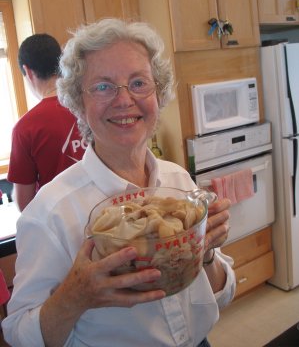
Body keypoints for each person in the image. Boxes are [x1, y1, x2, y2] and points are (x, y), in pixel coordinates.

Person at [2, 19, 235, 347]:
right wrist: (75, 296)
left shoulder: (179, 182)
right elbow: (18, 335)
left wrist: (206, 252)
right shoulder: (49, 214)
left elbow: (220, 296)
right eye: (103, 86)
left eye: (139, 82)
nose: (124, 99)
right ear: (79, 103)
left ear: (159, 93)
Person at [7, 33, 86, 211]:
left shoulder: (25, 127)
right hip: (105, 214)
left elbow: (24, 204)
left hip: (59, 226)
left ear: (27, 71)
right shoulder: (90, 106)